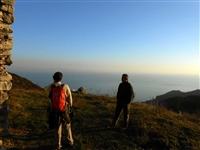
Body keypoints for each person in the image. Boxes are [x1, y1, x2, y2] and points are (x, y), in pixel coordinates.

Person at [44, 72, 74, 150]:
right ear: (61, 78)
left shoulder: (51, 87)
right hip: (64, 110)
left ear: (53, 78)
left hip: (54, 110)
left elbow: (46, 91)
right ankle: (70, 142)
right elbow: (69, 98)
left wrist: (53, 83)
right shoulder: (65, 86)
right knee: (67, 126)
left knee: (57, 128)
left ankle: (58, 145)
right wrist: (69, 106)